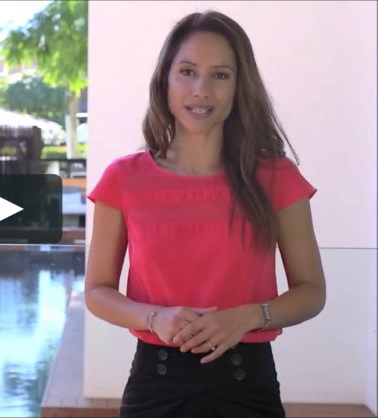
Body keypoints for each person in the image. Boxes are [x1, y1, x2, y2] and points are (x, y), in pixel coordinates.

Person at [84, 10, 326, 418]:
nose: (201, 90)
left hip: (248, 386)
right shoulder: (123, 179)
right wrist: (154, 317)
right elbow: (97, 291)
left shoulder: (276, 177)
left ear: (238, 86)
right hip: (155, 385)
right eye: (187, 72)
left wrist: (251, 316)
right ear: (165, 80)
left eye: (220, 75)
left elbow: (312, 291)